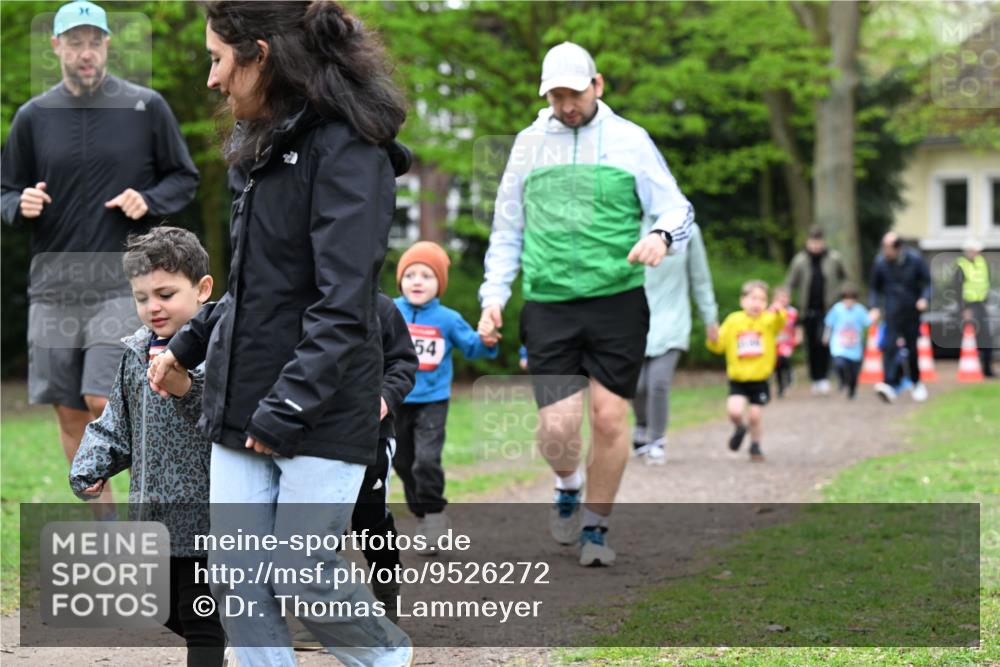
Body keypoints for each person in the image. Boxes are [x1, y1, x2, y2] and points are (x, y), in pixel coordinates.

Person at [148, 2, 413, 664]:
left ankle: (386, 657)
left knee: (302, 572)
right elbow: (252, 288)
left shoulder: (352, 149)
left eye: (218, 59)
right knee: (239, 580)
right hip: (243, 401)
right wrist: (185, 343)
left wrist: (288, 405)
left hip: (321, 406)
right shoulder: (256, 146)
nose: (212, 79)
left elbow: (344, 301)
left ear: (259, 54)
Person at [477, 41, 694, 567]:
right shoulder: (527, 147)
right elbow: (507, 230)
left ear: (597, 85)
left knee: (610, 418)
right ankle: (568, 484)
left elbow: (675, 206)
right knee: (557, 426)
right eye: (556, 96)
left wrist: (662, 236)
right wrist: (493, 296)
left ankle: (596, 529)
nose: (566, 104)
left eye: (574, 93)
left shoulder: (629, 141)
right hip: (549, 303)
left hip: (617, 301)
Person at [0, 0, 199, 516]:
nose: (85, 52)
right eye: (74, 41)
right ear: (57, 47)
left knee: (103, 403)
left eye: (94, 41)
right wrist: (18, 204)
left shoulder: (145, 107)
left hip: (123, 282)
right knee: (69, 412)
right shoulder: (32, 117)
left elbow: (184, 178)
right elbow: (5, 191)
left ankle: (148, 514)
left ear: (108, 44)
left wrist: (149, 200)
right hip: (53, 286)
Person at [69, 227, 224, 666]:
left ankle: (220, 644)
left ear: (203, 288)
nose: (152, 307)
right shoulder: (135, 352)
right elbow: (115, 422)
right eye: (141, 297)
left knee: (200, 620)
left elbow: (231, 418)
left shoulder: (223, 347)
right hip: (151, 512)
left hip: (206, 516)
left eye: (166, 293)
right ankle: (237, 638)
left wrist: (188, 390)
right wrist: (92, 464)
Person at [294, 291, 418, 649]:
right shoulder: (299, 306)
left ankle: (387, 596)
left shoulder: (381, 307)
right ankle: (323, 616)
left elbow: (403, 364)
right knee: (319, 525)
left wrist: (384, 398)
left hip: (372, 436)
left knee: (369, 520)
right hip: (315, 437)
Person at [393, 241, 498, 554]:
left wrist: (487, 340)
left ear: (439, 284)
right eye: (410, 274)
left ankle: (435, 513)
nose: (417, 281)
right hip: (396, 399)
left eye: (426, 275)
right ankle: (421, 512)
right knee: (402, 461)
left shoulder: (448, 319)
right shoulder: (390, 311)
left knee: (426, 459)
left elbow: (472, 347)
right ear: (400, 280)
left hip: (432, 400)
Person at [632, 222, 718, 465]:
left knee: (657, 382)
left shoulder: (690, 231)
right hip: (637, 319)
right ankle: (641, 424)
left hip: (673, 319)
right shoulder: (632, 224)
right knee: (637, 386)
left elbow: (700, 279)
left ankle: (657, 440)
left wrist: (710, 318)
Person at [706, 280, 787, 462]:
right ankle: (739, 428)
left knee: (755, 415)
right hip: (738, 378)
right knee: (734, 411)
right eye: (753, 298)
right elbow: (719, 346)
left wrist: (779, 310)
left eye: (762, 299)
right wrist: (712, 338)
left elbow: (781, 322)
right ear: (743, 301)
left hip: (760, 378)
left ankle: (755, 445)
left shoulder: (768, 320)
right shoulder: (734, 321)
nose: (756, 303)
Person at [784, 228, 849, 394]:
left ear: (823, 242)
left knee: (825, 343)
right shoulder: (800, 260)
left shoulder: (834, 258)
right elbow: (790, 282)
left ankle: (824, 377)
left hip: (828, 310)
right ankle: (814, 377)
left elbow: (845, 278)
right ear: (808, 242)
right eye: (813, 242)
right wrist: (787, 300)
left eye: (819, 242)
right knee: (811, 344)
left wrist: (842, 295)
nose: (816, 246)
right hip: (808, 310)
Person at [870, 232, 932, 403]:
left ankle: (916, 381)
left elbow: (927, 282)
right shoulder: (880, 263)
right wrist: (875, 307)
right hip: (892, 311)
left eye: (888, 248)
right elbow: (875, 288)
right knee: (889, 347)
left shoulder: (915, 259)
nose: (885, 251)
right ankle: (889, 383)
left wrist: (924, 298)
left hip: (911, 311)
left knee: (911, 349)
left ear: (898, 248)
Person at [954, 238, 995, 378]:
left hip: (981, 304)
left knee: (986, 338)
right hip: (968, 306)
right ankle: (970, 369)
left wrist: (987, 302)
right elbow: (957, 289)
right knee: (970, 339)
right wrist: (963, 309)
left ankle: (987, 369)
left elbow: (986, 283)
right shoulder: (961, 265)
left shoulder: (982, 263)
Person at [822, 283, 871, 400]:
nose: (848, 303)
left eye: (851, 300)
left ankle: (852, 391)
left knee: (854, 373)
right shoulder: (837, 309)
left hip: (855, 347)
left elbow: (868, 322)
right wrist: (826, 336)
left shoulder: (859, 310)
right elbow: (829, 323)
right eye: (846, 300)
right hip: (840, 346)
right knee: (840, 364)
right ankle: (842, 380)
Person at [771, 285, 799, 398]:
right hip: (774, 342)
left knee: (784, 359)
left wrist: (798, 336)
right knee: (777, 365)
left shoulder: (793, 312)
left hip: (787, 342)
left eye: (785, 298)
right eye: (779, 298)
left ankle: (789, 374)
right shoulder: (770, 312)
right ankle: (780, 387)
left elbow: (797, 326)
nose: (782, 300)